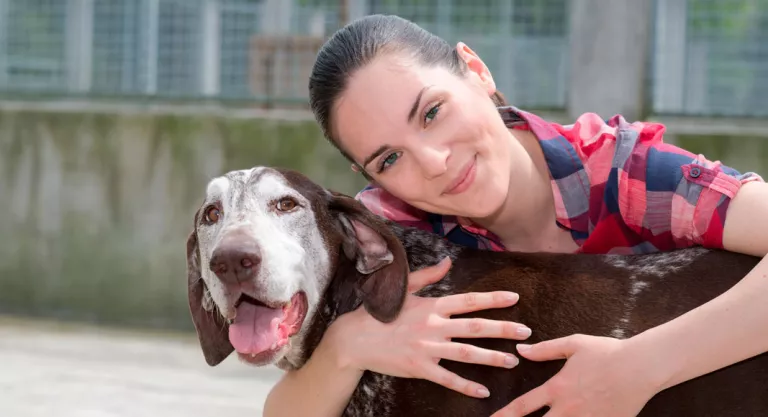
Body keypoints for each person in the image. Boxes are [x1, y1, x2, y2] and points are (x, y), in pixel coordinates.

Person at [264, 14, 768, 417]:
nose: (435, 162)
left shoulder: (622, 172)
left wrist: (637, 368)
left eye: (432, 112)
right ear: (369, 176)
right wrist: (346, 346)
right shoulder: (387, 233)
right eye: (389, 159)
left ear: (477, 72)